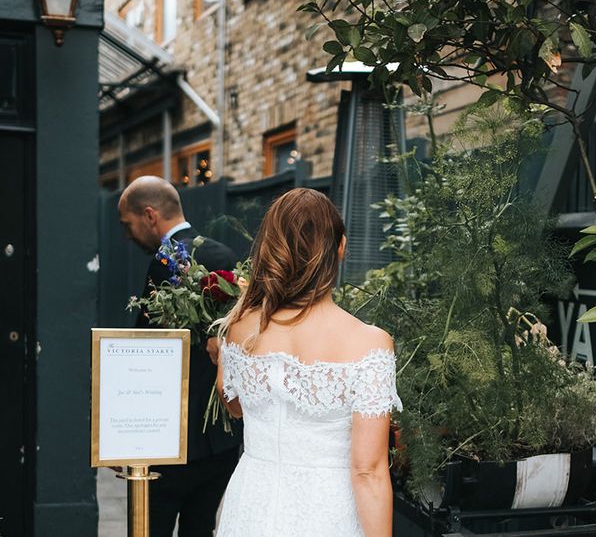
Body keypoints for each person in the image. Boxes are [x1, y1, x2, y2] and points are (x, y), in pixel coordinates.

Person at [214, 188, 402, 537]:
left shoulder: (238, 327)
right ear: (341, 248)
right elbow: (369, 471)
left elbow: (236, 407)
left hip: (251, 506)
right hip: (327, 513)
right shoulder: (368, 343)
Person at [118, 176, 243, 537]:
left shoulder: (166, 261)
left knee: (149, 527)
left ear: (150, 215)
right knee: (201, 527)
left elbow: (146, 352)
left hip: (169, 441)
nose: (128, 235)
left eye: (129, 225)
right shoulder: (223, 255)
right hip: (219, 440)